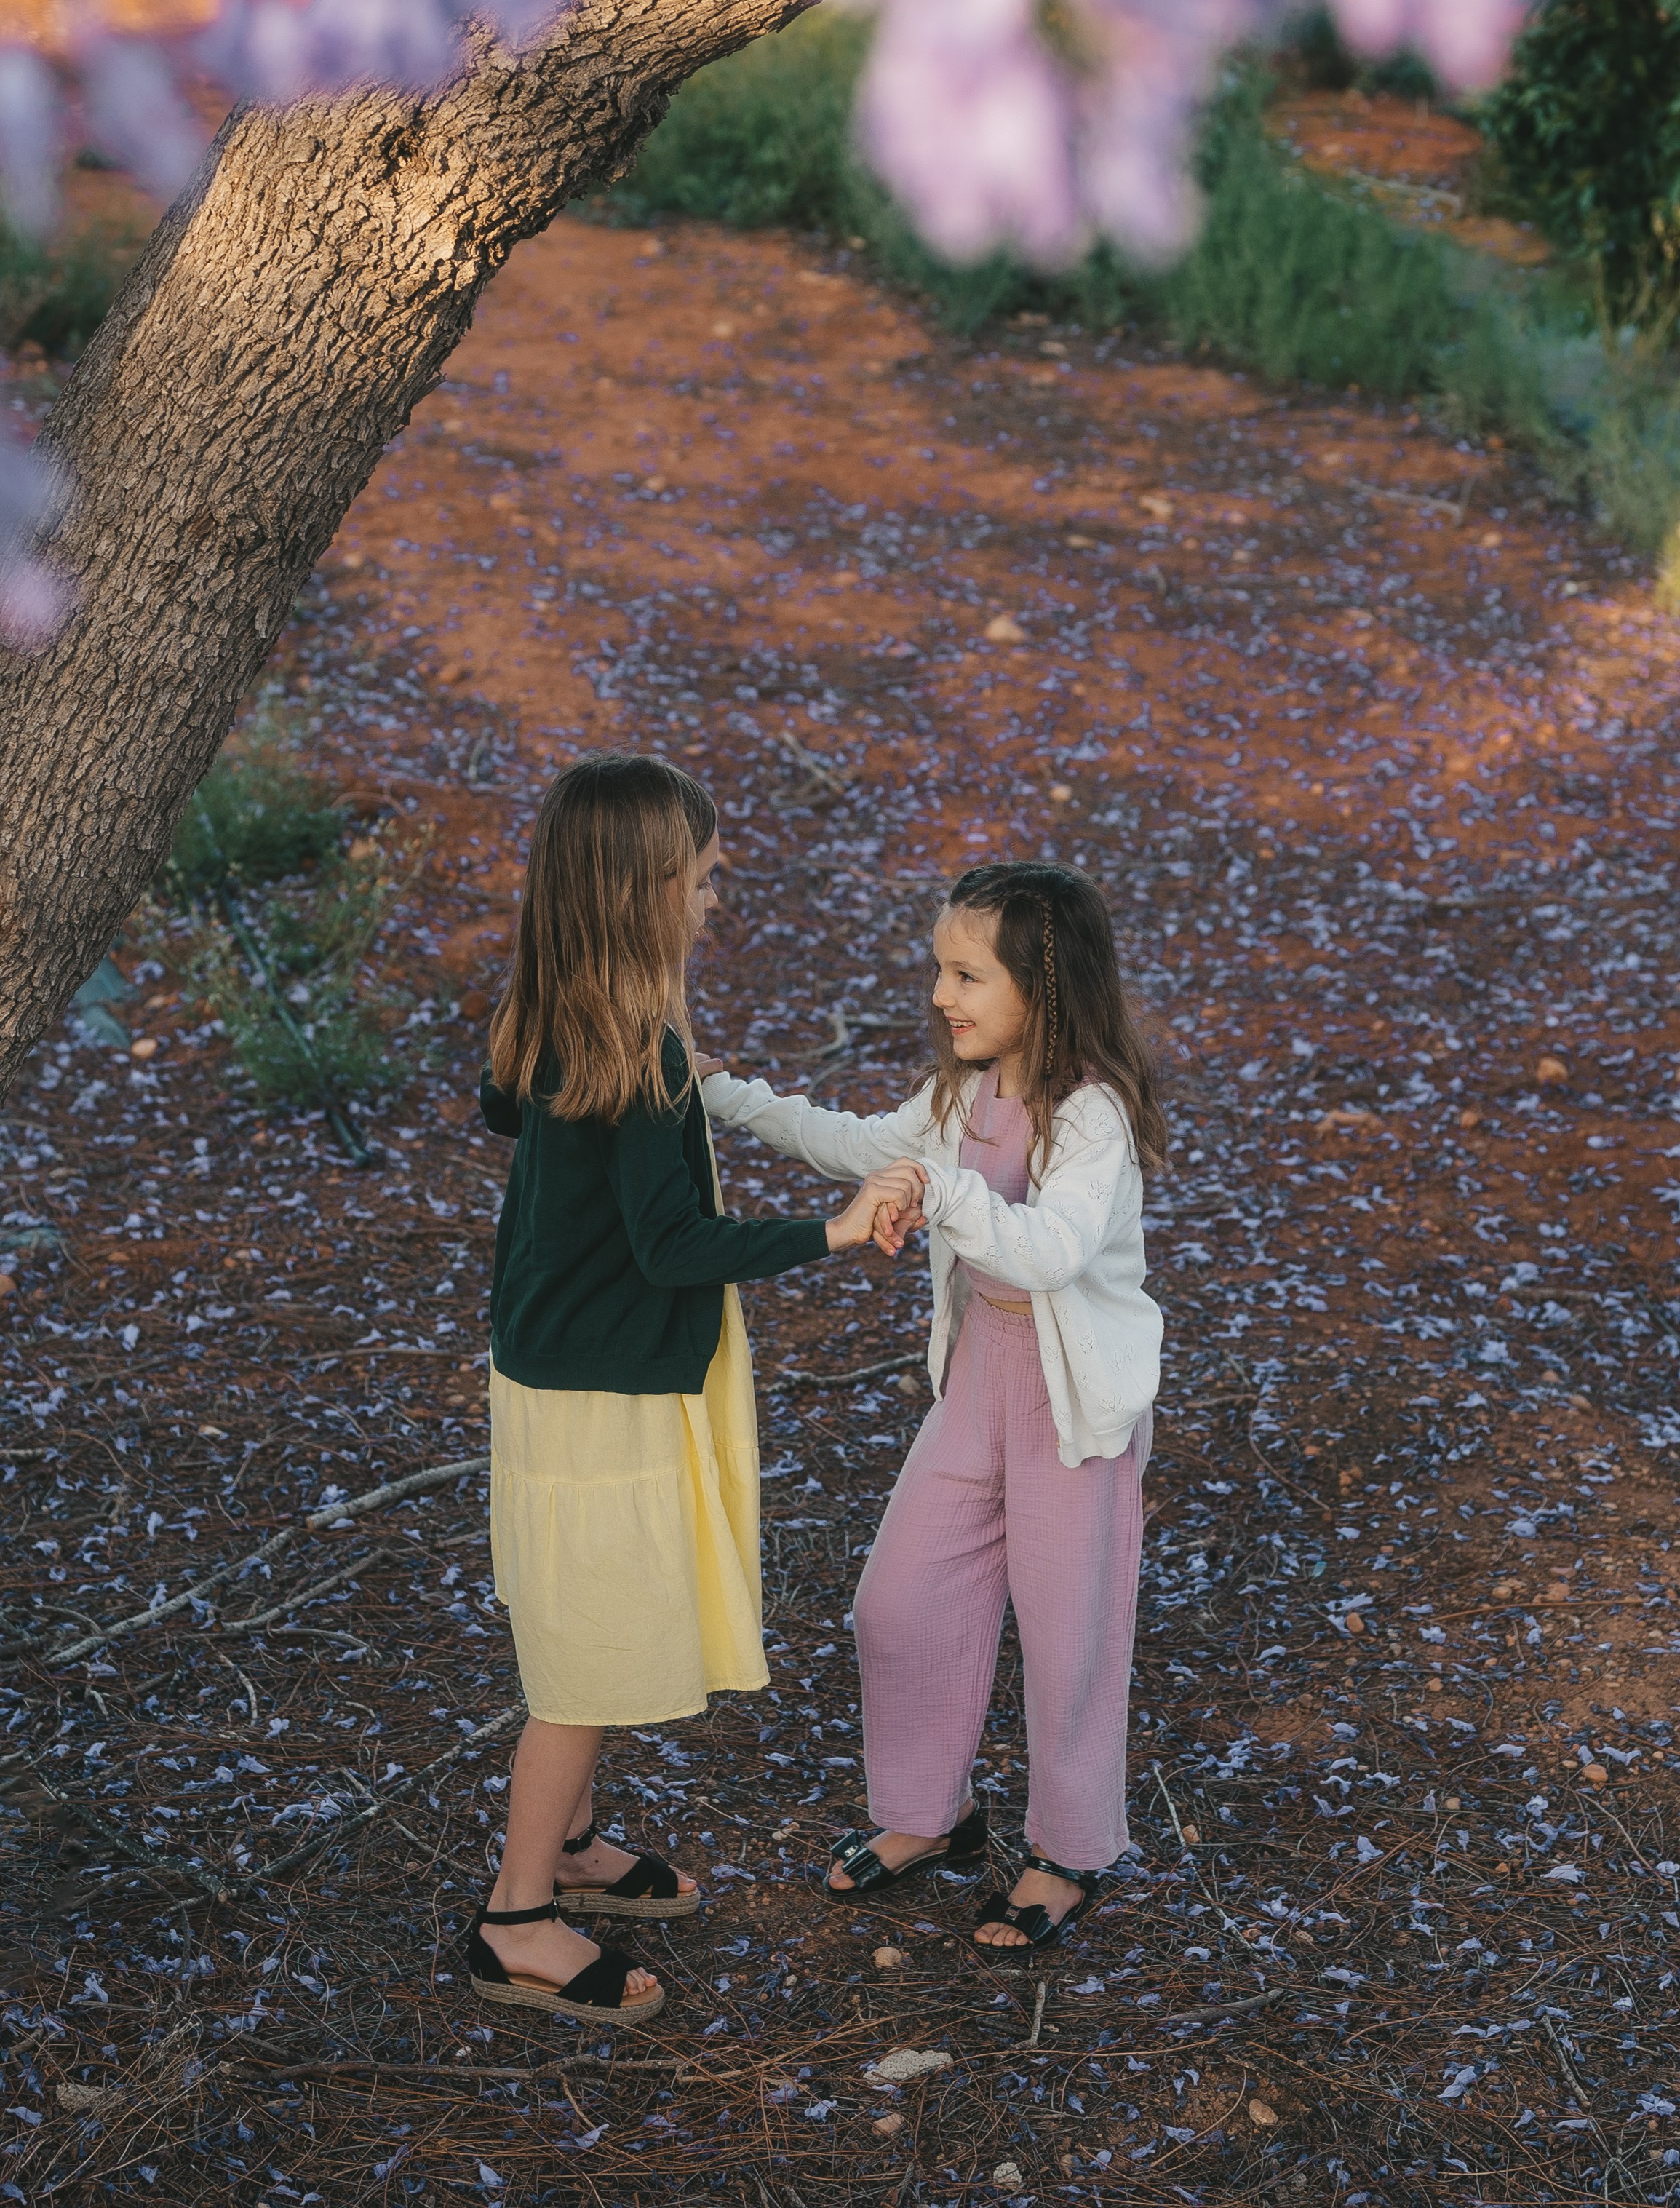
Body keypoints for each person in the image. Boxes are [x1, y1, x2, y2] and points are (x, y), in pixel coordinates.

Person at [465, 752, 923, 2027]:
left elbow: (508, 1108)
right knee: (581, 1665)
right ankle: (515, 1917)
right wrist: (829, 1234)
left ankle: (568, 1843)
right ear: (643, 892)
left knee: (593, 1625)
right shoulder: (638, 1049)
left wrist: (681, 1068)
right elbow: (669, 1246)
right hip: (600, 1392)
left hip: (560, 1370)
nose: (718, 900)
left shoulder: (562, 1008)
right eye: (705, 881)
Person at [701, 859, 1164, 1958]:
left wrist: (938, 1189)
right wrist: (722, 1094)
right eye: (939, 971)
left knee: (1069, 1637)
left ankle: (1070, 1848)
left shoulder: (1090, 1113)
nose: (941, 995)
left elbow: (1048, 1251)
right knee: (899, 1602)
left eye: (966, 974)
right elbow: (868, 1148)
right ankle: (932, 1812)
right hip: (978, 1385)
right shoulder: (963, 1091)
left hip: (1069, 1406)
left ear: (1041, 988)